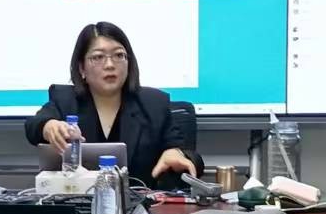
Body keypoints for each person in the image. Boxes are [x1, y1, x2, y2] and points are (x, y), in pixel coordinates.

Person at [24, 22, 201, 189]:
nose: (110, 65)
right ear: (82, 68)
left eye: (119, 55)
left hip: (139, 206)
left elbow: (193, 158)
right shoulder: (65, 100)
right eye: (98, 57)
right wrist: (47, 126)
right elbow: (33, 126)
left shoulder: (154, 103)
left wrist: (178, 154)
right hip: (78, 205)